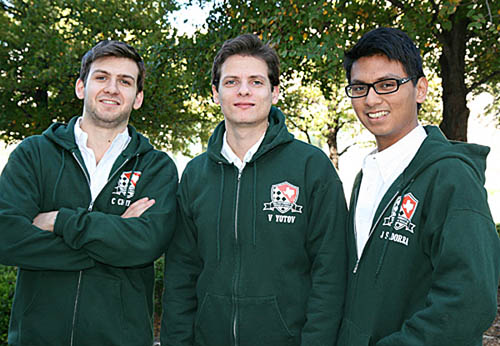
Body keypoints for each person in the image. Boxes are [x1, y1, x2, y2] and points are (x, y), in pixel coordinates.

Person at [160, 34, 348, 346]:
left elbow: (330, 275)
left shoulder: (311, 168)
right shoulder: (195, 175)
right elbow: (181, 275)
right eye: (231, 81)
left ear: (274, 92)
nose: (244, 90)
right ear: (215, 92)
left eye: (256, 82)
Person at [0, 40, 178, 346]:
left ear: (138, 98)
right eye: (101, 77)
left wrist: (59, 221)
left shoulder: (156, 166)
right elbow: (6, 237)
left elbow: (146, 245)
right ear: (81, 87)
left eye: (125, 81)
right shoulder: (34, 154)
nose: (112, 88)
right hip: (36, 338)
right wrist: (114, 236)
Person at [338, 27, 500, 345]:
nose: (371, 99)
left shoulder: (451, 178)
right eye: (360, 88)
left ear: (420, 89)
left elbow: (469, 302)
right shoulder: (365, 176)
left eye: (387, 84)